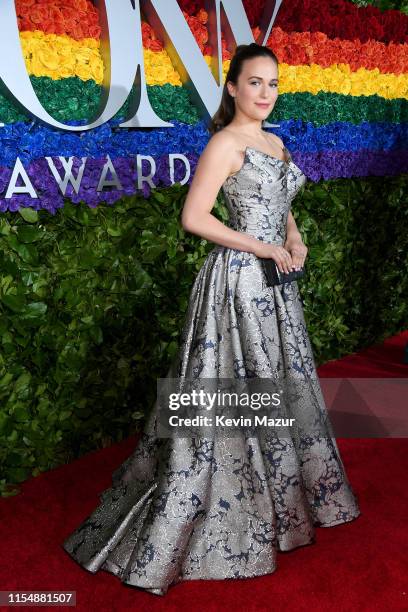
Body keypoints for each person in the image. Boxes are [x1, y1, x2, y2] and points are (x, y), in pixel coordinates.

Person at [62, 43, 361, 596]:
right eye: (255, 83)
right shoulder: (224, 143)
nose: (265, 93)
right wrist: (263, 248)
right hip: (239, 284)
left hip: (276, 284)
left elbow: (283, 206)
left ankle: (284, 501)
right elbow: (194, 217)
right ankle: (229, 500)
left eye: (273, 83)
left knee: (275, 383)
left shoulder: (275, 142)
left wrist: (293, 238)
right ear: (232, 87)